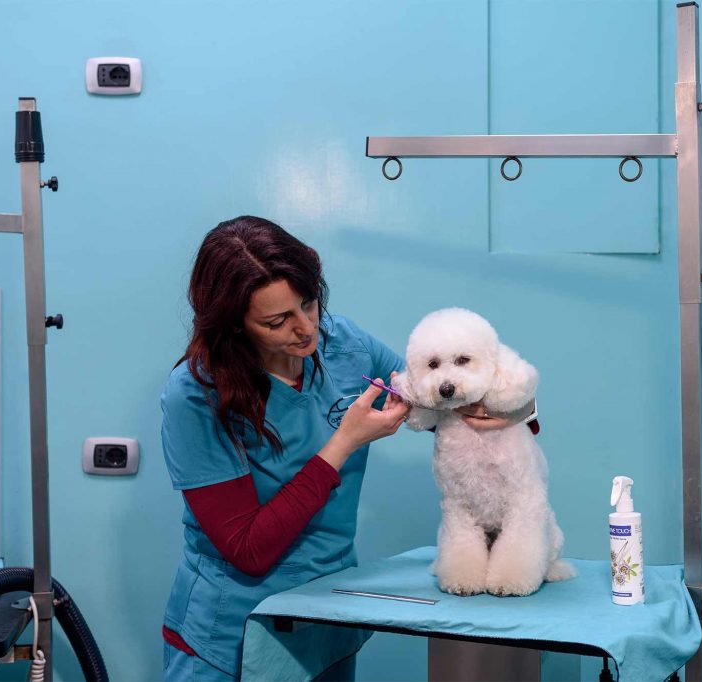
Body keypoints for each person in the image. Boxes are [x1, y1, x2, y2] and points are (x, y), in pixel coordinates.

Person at [160, 216, 533, 681]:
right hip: (232, 632)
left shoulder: (344, 343)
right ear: (234, 325)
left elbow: (440, 401)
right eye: (278, 321)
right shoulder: (196, 395)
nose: (306, 329)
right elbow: (248, 549)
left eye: (309, 303)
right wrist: (344, 442)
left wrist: (514, 403)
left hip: (327, 615)